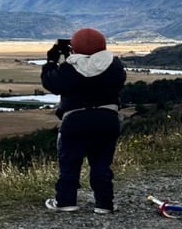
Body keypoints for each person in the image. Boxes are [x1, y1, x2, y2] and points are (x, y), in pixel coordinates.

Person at [40, 27, 126, 213]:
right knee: (102, 164)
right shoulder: (115, 66)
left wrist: (51, 62)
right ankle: (104, 204)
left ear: (74, 48)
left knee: (69, 162)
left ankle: (66, 201)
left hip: (75, 121)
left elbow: (51, 83)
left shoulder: (70, 68)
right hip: (107, 119)